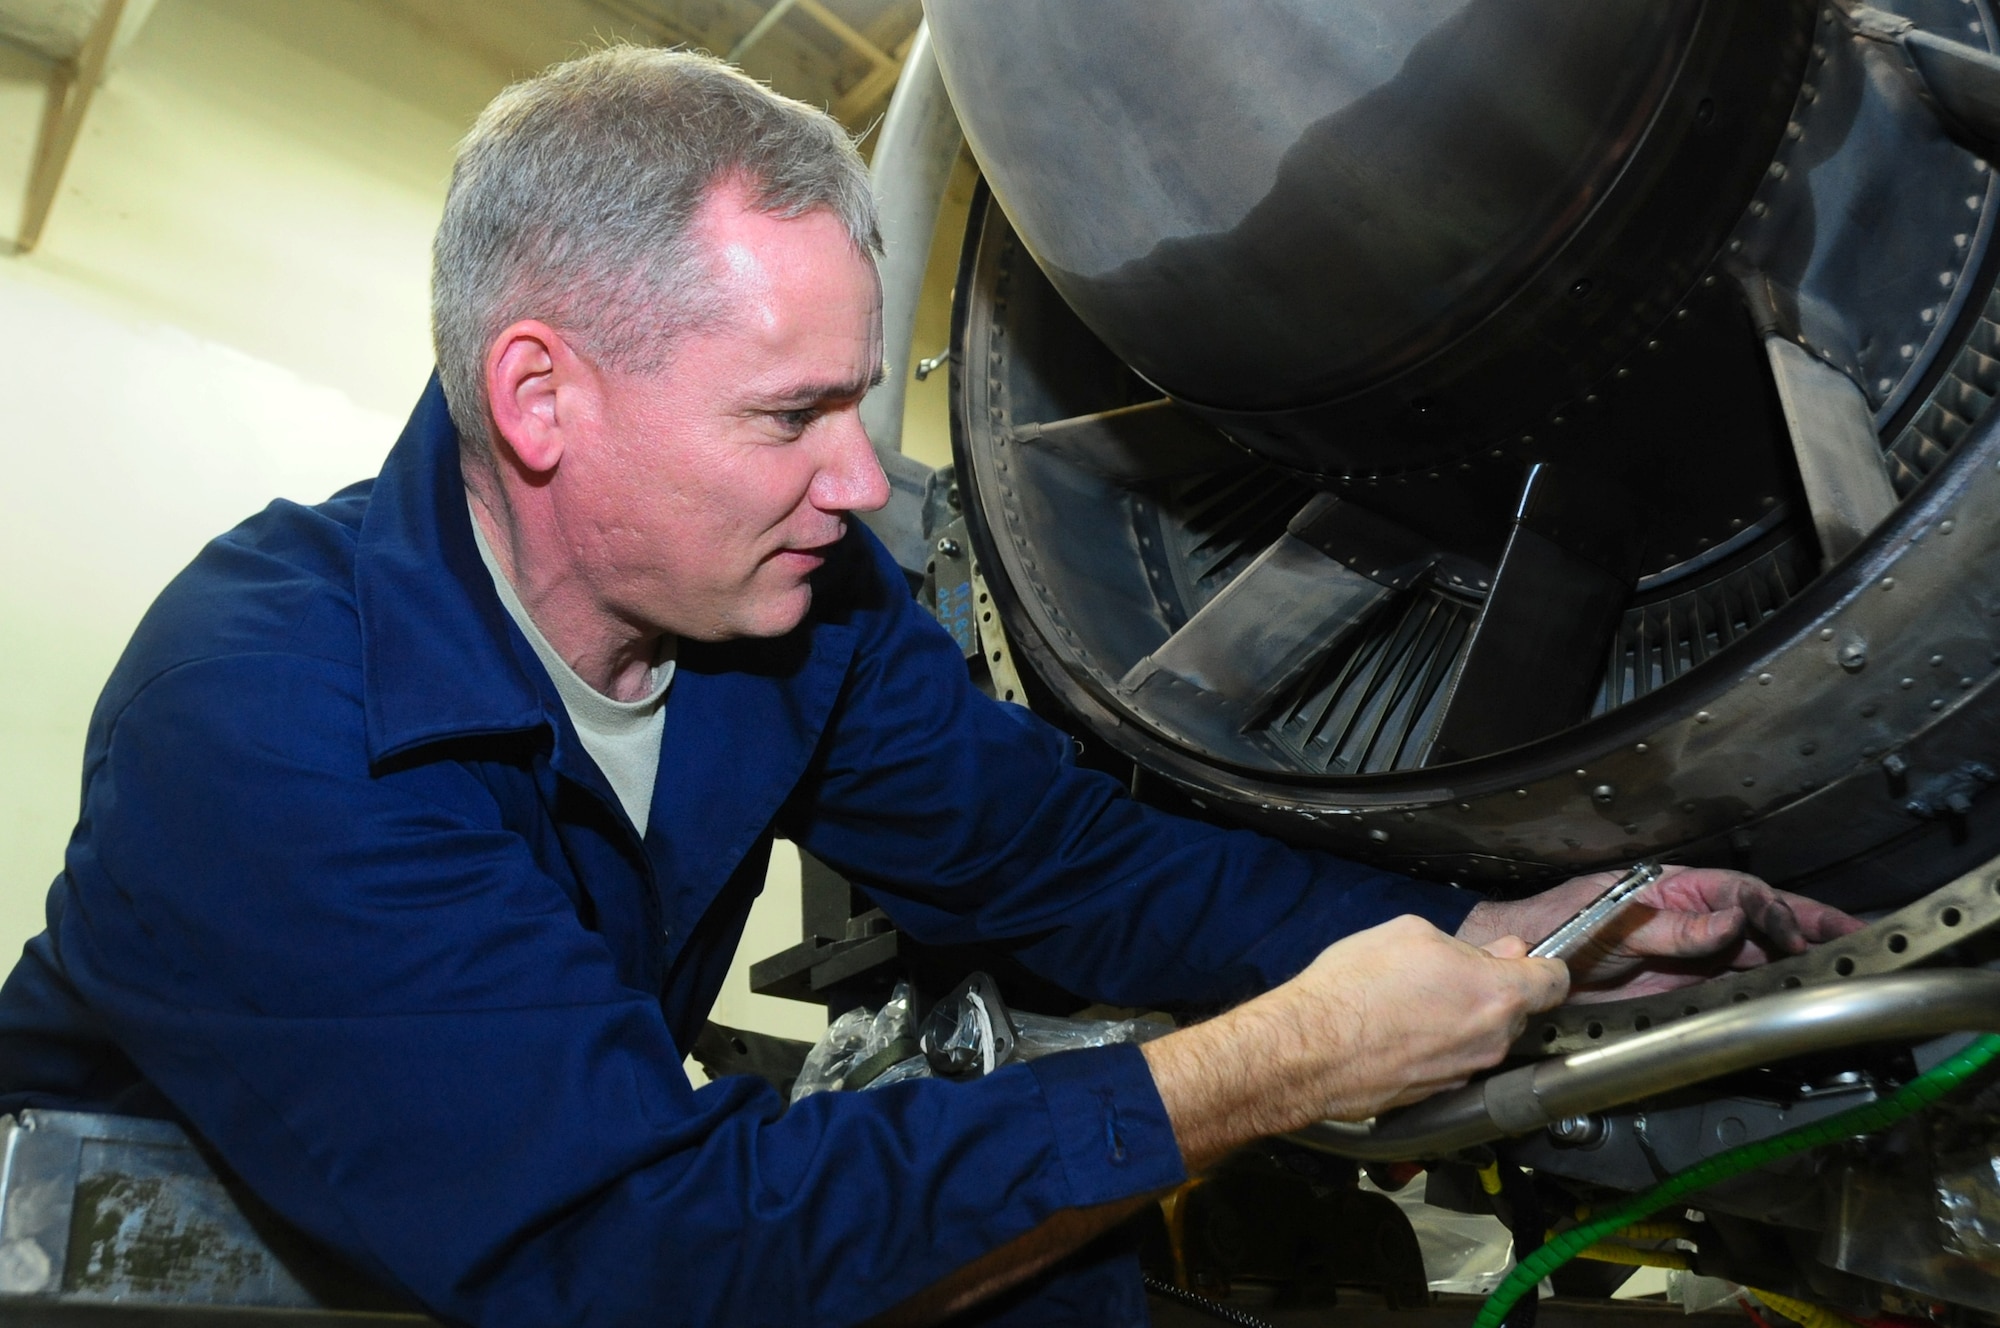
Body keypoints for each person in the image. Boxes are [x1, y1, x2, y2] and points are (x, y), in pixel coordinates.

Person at [0, 47, 1857, 1328]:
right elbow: (641, 1263)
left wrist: (1497, 921)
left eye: (860, 399)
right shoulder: (264, 715)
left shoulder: (779, 612)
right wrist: (1272, 1064)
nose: (863, 480)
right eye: (791, 414)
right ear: (541, 397)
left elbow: (1075, 862)